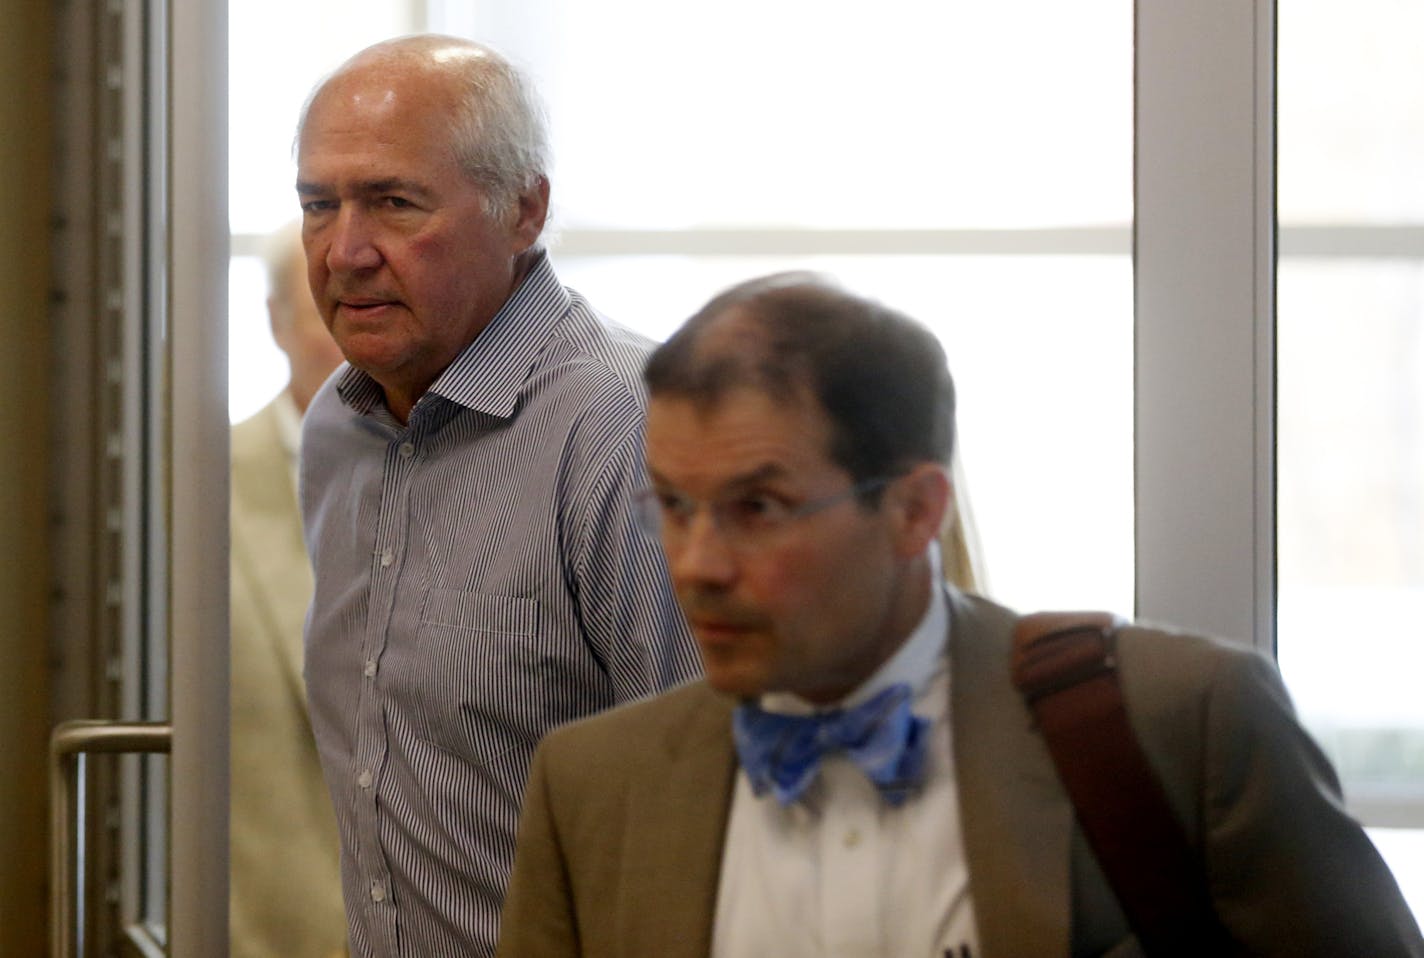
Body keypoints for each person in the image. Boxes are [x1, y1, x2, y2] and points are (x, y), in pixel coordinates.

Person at [497, 273, 1424, 957]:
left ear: (915, 510)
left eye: (759, 508)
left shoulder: (1178, 722)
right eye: (673, 504)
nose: (696, 565)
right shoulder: (591, 787)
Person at [295, 35, 701, 957]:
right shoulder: (338, 426)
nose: (345, 251)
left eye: (394, 204)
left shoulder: (624, 428)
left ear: (525, 209)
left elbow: (708, 805)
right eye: (319, 205)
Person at [229, 221, 346, 958]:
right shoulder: (188, 487)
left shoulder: (476, 482)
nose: (354, 336)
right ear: (274, 321)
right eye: (326, 311)